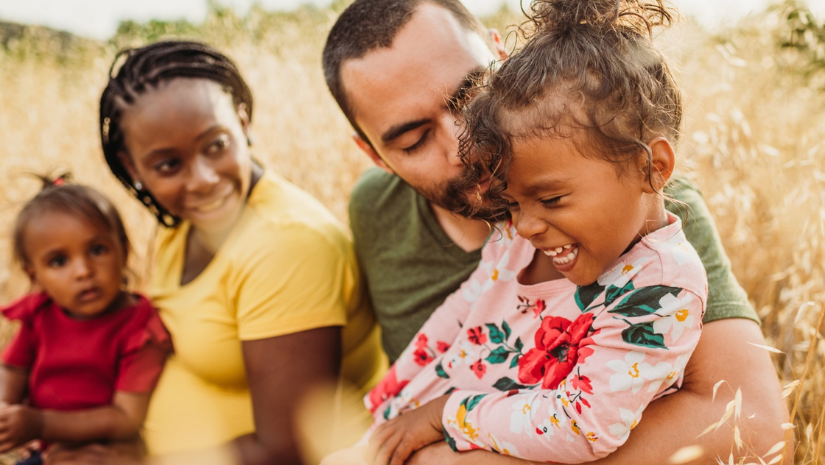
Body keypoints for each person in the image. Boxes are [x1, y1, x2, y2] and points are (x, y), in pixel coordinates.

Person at [322, 0, 789, 463]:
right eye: (414, 139)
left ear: (503, 60)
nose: (462, 146)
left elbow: (758, 433)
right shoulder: (376, 209)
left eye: (469, 96)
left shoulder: (640, 206)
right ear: (374, 156)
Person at [44, 40, 385, 465]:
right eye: (169, 165)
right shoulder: (184, 222)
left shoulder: (287, 244)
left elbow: (287, 449)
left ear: (242, 125)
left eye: (216, 145)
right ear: (134, 169)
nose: (203, 179)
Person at [0, 175, 171, 465]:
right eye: (59, 261)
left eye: (97, 250)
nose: (83, 271)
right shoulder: (41, 313)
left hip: (107, 454)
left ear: (123, 249)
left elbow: (125, 418)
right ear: (34, 276)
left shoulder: (140, 327)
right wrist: (7, 413)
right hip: (47, 448)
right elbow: (12, 368)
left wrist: (39, 424)